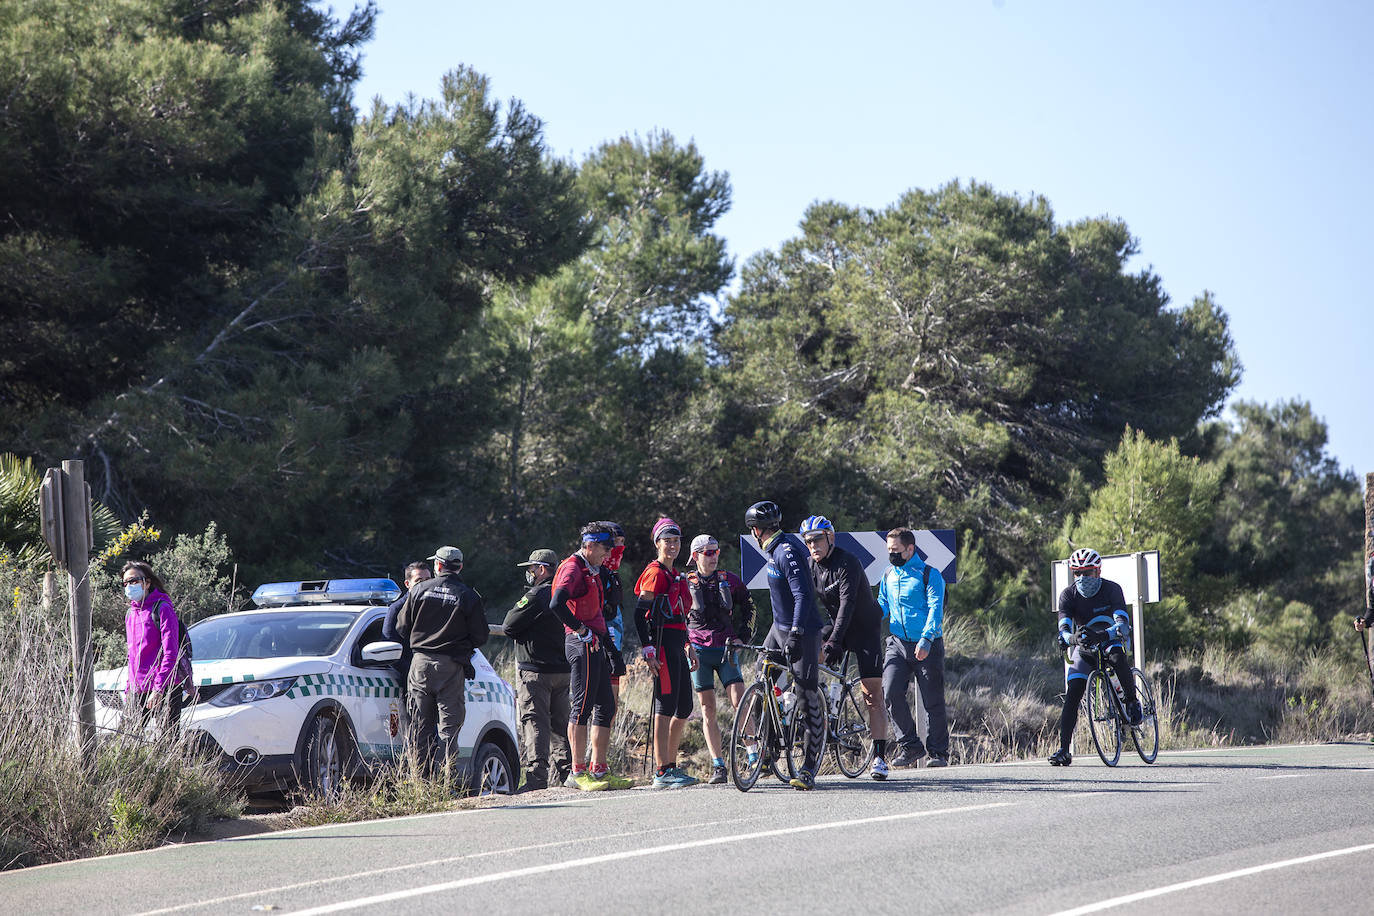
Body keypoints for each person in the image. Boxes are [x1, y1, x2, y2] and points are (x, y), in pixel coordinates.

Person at [800, 515, 891, 780]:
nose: (813, 545)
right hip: (835, 624)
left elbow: (847, 605)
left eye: (817, 539)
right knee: (806, 657)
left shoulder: (847, 562)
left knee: (872, 694)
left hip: (864, 629)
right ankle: (820, 700)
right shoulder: (809, 566)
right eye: (808, 541)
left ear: (830, 537)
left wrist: (836, 642)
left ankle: (879, 758)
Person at [746, 500, 826, 790]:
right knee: (761, 683)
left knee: (806, 696)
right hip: (777, 628)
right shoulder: (774, 548)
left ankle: (807, 769)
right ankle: (767, 754)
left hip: (801, 629)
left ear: (756, 530)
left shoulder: (786, 550)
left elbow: (803, 595)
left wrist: (795, 633)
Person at [547, 522, 631, 791]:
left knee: (606, 706)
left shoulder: (593, 568)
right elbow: (556, 603)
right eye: (605, 549)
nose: (608, 555)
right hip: (580, 643)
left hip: (597, 642)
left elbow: (596, 612)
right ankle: (577, 771)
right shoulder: (573, 567)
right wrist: (581, 630)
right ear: (590, 545)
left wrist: (611, 647)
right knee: (581, 707)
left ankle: (599, 769)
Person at [394, 545, 489, 779]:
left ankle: (420, 781)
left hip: (420, 665)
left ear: (437, 565)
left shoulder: (419, 591)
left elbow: (401, 627)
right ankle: (449, 781)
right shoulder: (468, 595)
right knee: (449, 729)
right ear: (460, 567)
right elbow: (481, 636)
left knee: (420, 727)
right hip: (451, 666)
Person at [1049, 547, 1140, 766]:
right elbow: (1064, 628)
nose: (1081, 578)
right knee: (1073, 693)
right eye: (1077, 573)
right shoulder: (1068, 595)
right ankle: (1064, 749)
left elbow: (1122, 624)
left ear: (1097, 571)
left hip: (1110, 638)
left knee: (1118, 658)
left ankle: (1132, 701)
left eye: (1087, 572)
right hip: (1086, 646)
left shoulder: (1111, 589)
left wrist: (1102, 634)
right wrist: (1072, 639)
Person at [634, 517, 700, 789]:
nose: (672, 545)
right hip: (661, 644)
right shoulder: (655, 573)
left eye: (676, 541)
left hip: (677, 643)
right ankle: (662, 771)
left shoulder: (675, 574)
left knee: (684, 706)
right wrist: (648, 649)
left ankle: (671, 765)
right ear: (657, 543)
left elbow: (680, 616)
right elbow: (639, 614)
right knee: (665, 705)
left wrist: (688, 644)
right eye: (667, 541)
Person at [685, 534, 755, 784]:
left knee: (741, 701)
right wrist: (685, 644)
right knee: (707, 709)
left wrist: (742, 636)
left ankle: (754, 754)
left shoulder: (730, 580)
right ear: (695, 556)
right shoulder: (685, 583)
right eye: (707, 552)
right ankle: (718, 766)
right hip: (699, 651)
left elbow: (749, 607)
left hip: (726, 649)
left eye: (716, 551)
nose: (713, 556)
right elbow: (676, 617)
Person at [501, 548, 572, 791]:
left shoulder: (537, 595)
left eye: (532, 569)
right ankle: (568, 774)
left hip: (536, 671)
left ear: (542, 569)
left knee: (535, 722)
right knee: (561, 724)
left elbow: (510, 625)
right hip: (564, 669)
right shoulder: (566, 591)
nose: (530, 574)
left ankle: (536, 778)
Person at [879, 527, 951, 768]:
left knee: (933, 701)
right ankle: (910, 746)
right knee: (889, 691)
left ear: (910, 549)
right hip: (897, 643)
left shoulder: (929, 574)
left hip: (926, 643)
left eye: (896, 550)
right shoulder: (888, 573)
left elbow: (935, 609)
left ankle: (938, 753)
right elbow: (882, 604)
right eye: (889, 550)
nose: (892, 554)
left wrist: (926, 639)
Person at [122, 561, 190, 738]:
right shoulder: (130, 614)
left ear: (147, 582)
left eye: (134, 581)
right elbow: (132, 656)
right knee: (129, 741)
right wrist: (129, 689)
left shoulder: (162, 609)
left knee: (167, 742)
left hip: (165, 688)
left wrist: (158, 689)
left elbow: (170, 653)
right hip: (138, 690)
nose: (129, 586)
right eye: (126, 583)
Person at [382, 560, 432, 694]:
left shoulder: (437, 609)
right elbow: (389, 645)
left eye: (428, 580)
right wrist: (411, 671)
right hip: (411, 681)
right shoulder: (396, 609)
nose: (425, 585)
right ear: (407, 584)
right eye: (419, 581)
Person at [595, 521, 630, 701]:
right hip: (599, 649)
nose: (619, 547)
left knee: (611, 706)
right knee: (602, 707)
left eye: (622, 541)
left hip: (614, 650)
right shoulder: (595, 573)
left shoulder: (612, 573)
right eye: (615, 541)